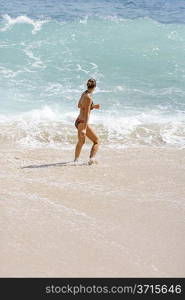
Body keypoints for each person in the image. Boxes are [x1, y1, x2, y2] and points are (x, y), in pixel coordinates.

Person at [74, 78, 100, 165]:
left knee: (81, 142)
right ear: (94, 87)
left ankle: (76, 160)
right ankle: (91, 159)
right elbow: (87, 113)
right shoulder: (89, 98)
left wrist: (93, 106)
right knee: (96, 141)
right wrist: (85, 128)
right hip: (83, 122)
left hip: (78, 121)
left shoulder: (84, 94)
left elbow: (79, 106)